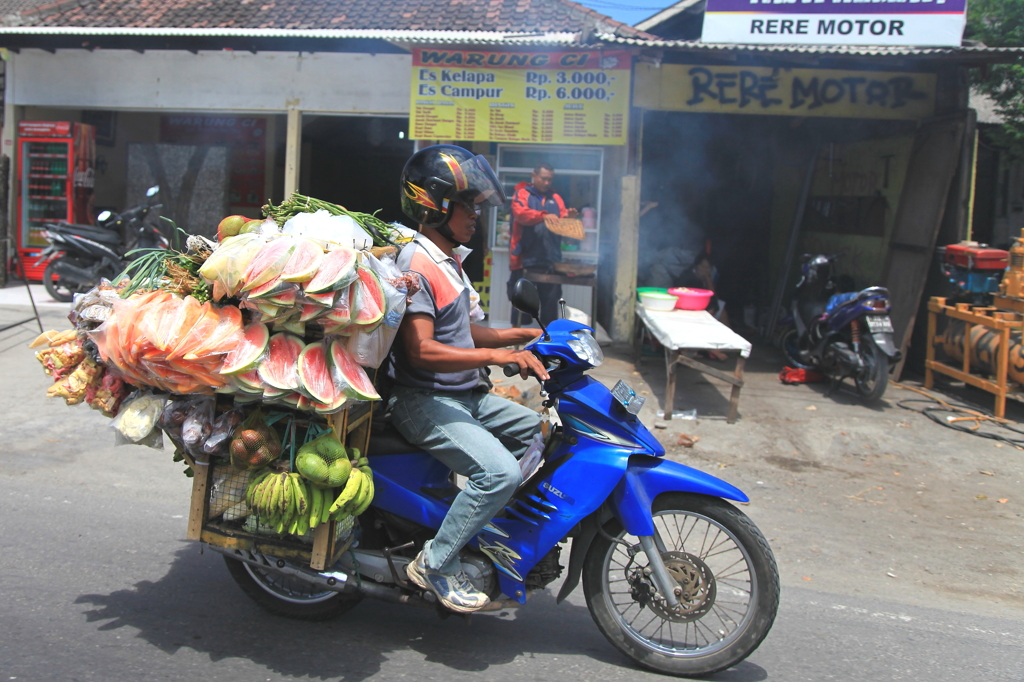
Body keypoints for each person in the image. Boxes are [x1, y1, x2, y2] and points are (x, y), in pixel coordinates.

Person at [389, 145, 549, 613]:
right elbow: (422, 350)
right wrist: (497, 355)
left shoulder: (449, 261)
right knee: (499, 472)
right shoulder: (417, 263)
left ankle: (491, 533)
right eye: (466, 205)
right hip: (423, 398)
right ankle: (435, 562)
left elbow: (464, 331)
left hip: (465, 393)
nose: (476, 215)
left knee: (547, 434)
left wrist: (521, 335)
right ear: (435, 205)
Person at [507, 162, 578, 326]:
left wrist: (568, 218)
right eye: (543, 178)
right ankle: (517, 338)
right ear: (534, 176)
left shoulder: (556, 198)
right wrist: (543, 216)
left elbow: (562, 221)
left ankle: (548, 339)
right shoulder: (522, 193)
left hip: (551, 260)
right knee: (521, 304)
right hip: (525, 258)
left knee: (551, 305)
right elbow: (520, 214)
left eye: (550, 179)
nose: (547, 183)